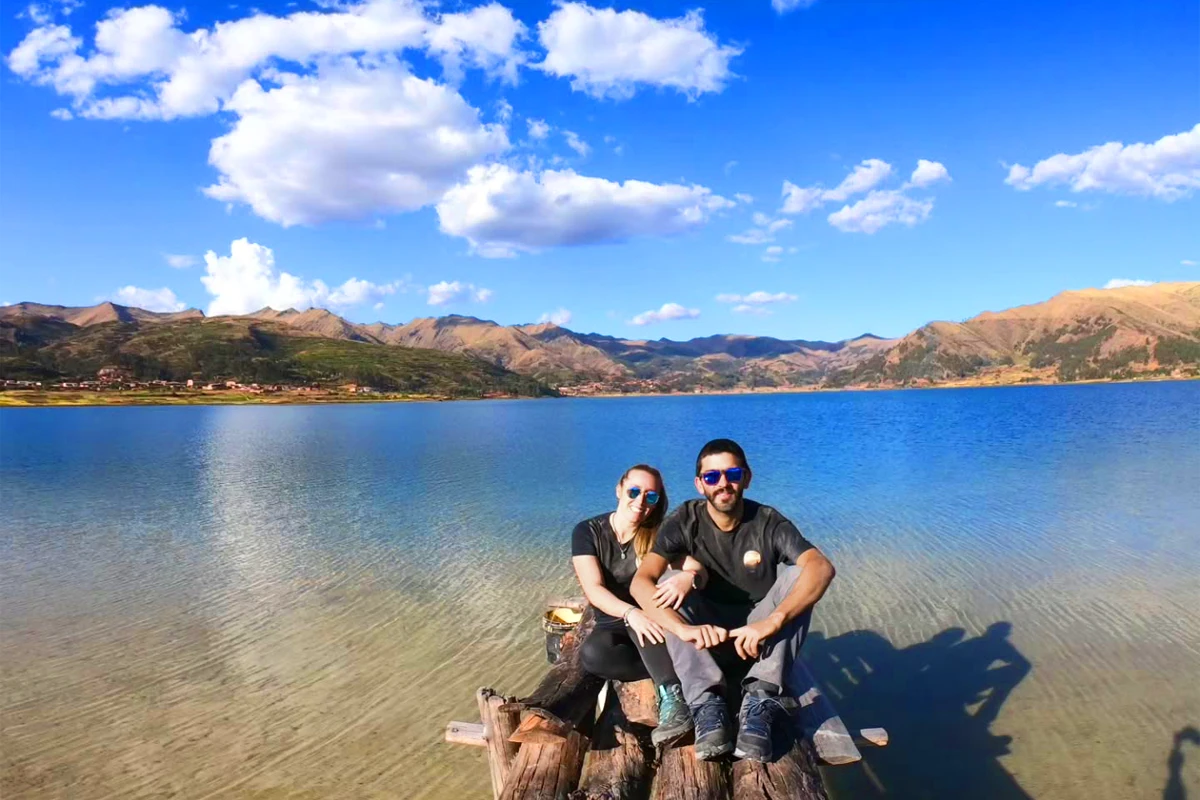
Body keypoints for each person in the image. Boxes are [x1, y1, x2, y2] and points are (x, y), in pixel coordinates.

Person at [630, 439, 836, 763]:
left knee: (800, 576)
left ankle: (760, 698)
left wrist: (773, 620)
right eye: (712, 477)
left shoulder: (767, 521)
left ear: (747, 477)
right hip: (704, 637)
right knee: (669, 583)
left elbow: (821, 567)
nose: (723, 483)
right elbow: (641, 582)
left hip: (758, 638)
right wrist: (682, 629)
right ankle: (705, 702)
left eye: (732, 473)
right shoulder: (685, 519)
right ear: (700, 484)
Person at [571, 464, 705, 746]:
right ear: (619, 490)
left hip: (652, 613)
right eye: (634, 491)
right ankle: (677, 667)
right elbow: (593, 588)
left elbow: (697, 568)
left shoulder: (658, 534)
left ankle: (673, 698)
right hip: (613, 615)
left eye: (651, 496)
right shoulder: (587, 531)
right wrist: (631, 613)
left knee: (646, 628)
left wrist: (687, 577)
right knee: (594, 655)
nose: (641, 501)